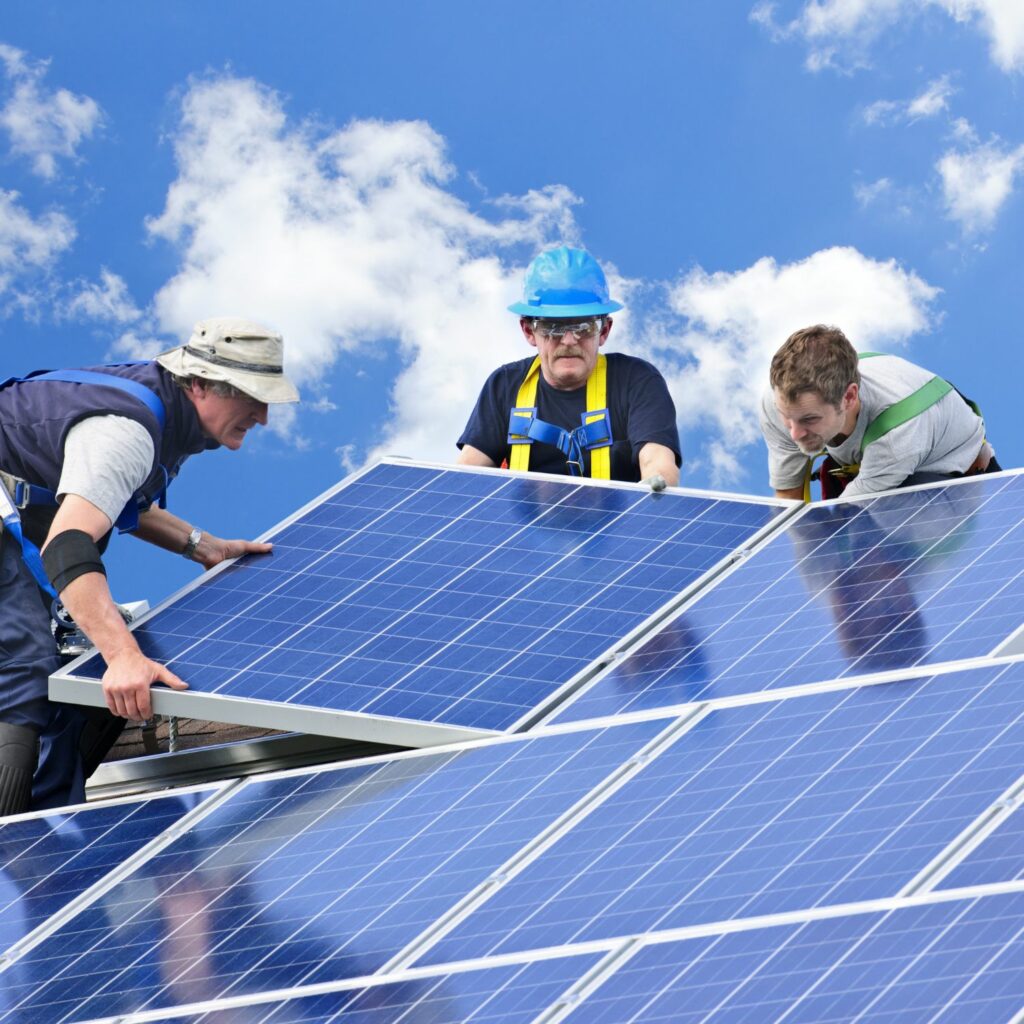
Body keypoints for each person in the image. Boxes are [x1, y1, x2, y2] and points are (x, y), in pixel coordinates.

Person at [0, 317, 299, 814]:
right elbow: (68, 543)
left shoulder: (164, 416)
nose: (263, 415)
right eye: (252, 396)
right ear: (200, 384)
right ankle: (7, 839)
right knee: (26, 665)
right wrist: (122, 655)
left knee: (78, 681)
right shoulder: (127, 430)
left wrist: (202, 546)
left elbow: (115, 497)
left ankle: (41, 833)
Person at [457, 246, 681, 487]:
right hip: (523, 513)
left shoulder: (636, 381)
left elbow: (657, 461)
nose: (569, 340)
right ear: (529, 331)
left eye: (583, 327)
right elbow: (467, 475)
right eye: (553, 327)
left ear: (604, 331)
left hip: (619, 513)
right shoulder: (504, 386)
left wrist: (656, 488)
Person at [760, 324, 999, 501]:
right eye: (786, 416)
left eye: (810, 419)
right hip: (877, 458)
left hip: (948, 470)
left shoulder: (896, 438)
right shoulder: (779, 403)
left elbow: (845, 520)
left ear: (849, 397)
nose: (794, 433)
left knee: (890, 526)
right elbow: (788, 498)